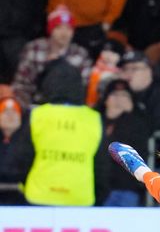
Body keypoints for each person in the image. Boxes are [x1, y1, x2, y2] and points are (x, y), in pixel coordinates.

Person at [22, 58, 107, 206]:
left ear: (48, 84)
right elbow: (102, 165)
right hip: (80, 196)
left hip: (38, 195)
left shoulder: (37, 115)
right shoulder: (94, 119)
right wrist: (99, 198)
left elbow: (23, 157)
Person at [11, 5, 91, 108]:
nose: (64, 33)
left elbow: (83, 88)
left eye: (68, 29)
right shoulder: (34, 49)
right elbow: (21, 84)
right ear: (51, 30)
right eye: (59, 28)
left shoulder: (81, 55)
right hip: (36, 105)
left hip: (68, 109)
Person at [99, 79, 151, 207]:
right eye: (115, 95)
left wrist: (127, 116)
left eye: (124, 96)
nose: (119, 99)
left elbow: (141, 150)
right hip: (97, 186)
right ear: (106, 99)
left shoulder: (138, 123)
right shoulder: (95, 119)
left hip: (126, 187)